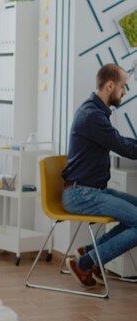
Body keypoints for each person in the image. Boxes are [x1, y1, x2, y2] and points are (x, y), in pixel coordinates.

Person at [62, 63, 137, 287]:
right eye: (123, 87)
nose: (124, 92)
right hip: (82, 194)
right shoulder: (92, 116)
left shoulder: (95, 112)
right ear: (110, 85)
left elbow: (120, 141)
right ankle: (85, 263)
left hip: (89, 190)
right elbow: (123, 147)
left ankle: (87, 252)